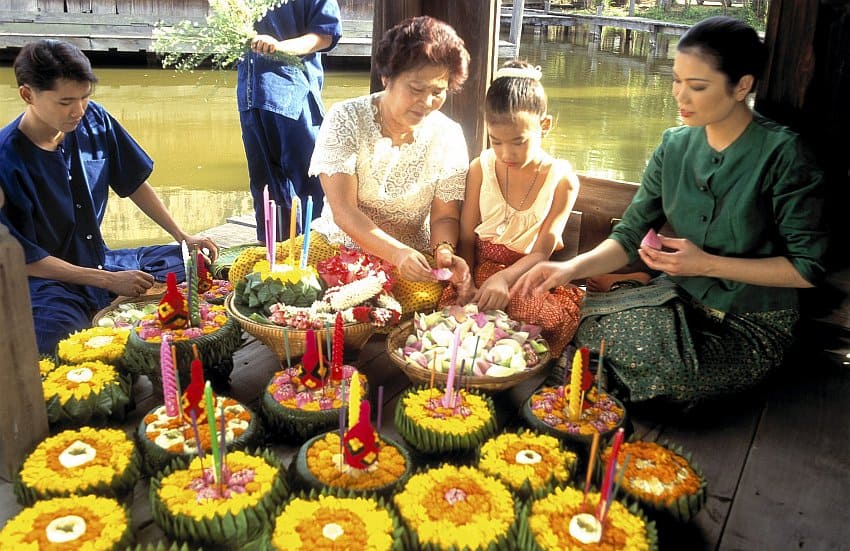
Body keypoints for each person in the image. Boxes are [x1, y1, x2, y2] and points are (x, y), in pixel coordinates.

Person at [511, 17, 829, 404]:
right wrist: (568, 269)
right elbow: (628, 236)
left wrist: (706, 264)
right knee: (582, 324)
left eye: (697, 86)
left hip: (750, 321)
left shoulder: (785, 155)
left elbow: (806, 269)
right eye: (676, 80)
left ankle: (628, 334)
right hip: (676, 300)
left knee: (679, 378)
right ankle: (631, 311)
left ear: (742, 85)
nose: (680, 96)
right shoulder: (674, 146)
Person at [0, 40, 218, 354]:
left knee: (195, 261)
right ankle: (105, 300)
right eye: (65, 102)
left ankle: (117, 295)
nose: (78, 111)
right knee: (57, 343)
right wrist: (107, 282)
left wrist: (182, 235)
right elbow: (24, 259)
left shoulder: (94, 120)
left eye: (85, 97)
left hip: (100, 259)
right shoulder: (7, 159)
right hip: (46, 281)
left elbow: (133, 182)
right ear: (27, 95)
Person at [304, 15, 472, 315]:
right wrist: (395, 253)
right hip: (342, 247)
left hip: (413, 258)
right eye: (416, 89)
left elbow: (445, 215)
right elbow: (343, 211)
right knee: (301, 288)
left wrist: (443, 250)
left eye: (438, 91)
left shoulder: (449, 135)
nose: (427, 101)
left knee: (421, 301)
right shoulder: (346, 118)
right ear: (387, 77)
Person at [439, 60, 583, 357]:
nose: (507, 153)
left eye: (518, 142)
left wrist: (505, 278)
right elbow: (466, 238)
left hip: (526, 272)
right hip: (478, 266)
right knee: (457, 311)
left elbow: (542, 252)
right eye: (496, 141)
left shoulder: (562, 180)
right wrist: (467, 282)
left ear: (545, 125)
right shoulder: (482, 167)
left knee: (530, 311)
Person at [238, 0, 342, 242]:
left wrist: (280, 47)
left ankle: (323, 248)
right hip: (251, 95)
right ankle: (273, 255)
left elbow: (325, 35)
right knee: (263, 183)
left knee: (311, 178)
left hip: (294, 93)